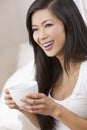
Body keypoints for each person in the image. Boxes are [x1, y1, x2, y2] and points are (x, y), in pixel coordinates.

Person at [4, 0, 87, 130]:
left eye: (48, 25)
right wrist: (22, 107)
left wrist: (55, 110)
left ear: (69, 24)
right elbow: (52, 127)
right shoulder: (51, 72)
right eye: (35, 29)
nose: (41, 36)